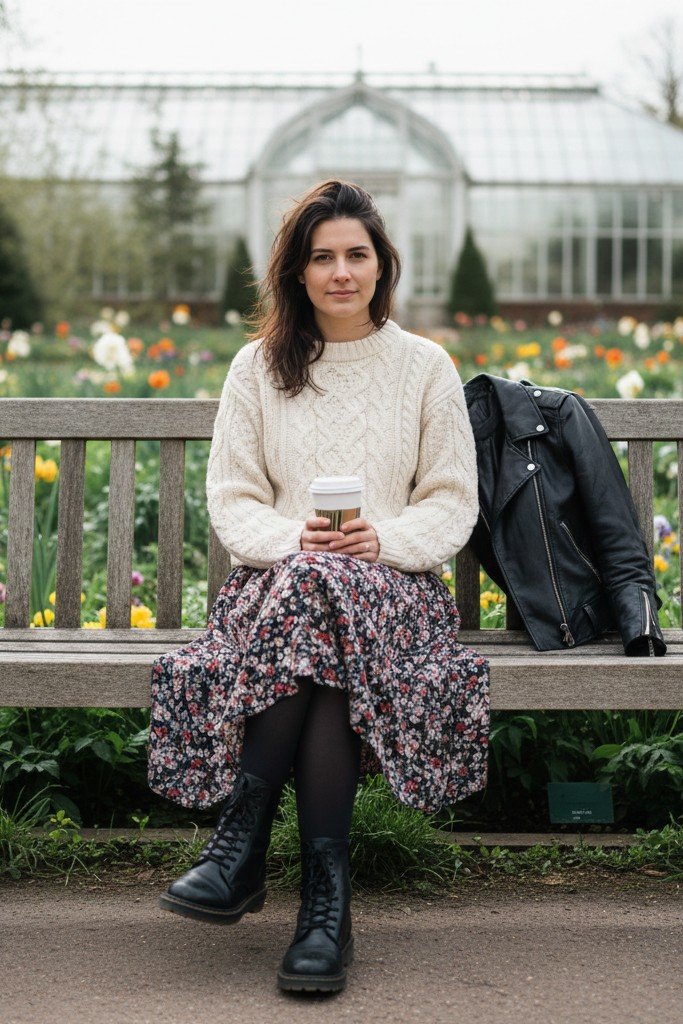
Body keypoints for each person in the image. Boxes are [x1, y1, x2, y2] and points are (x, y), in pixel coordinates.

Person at [147, 179, 490, 995]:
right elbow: (233, 497)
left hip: (393, 595)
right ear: (296, 274)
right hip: (276, 593)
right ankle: (323, 910)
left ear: (382, 265)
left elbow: (450, 497)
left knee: (328, 601)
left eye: (356, 255)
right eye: (322, 257)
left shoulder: (423, 367)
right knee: (314, 596)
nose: (341, 271)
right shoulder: (258, 368)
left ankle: (243, 846)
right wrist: (288, 539)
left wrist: (387, 540)